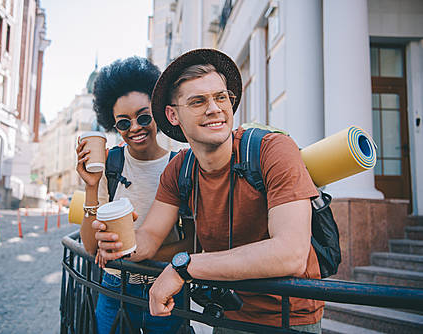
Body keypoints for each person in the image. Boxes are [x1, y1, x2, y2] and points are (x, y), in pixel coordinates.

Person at [93, 49, 324, 333]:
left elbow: (290, 253)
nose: (214, 109)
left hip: (288, 320)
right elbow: (150, 239)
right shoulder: (179, 169)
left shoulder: (273, 149)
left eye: (221, 97)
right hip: (224, 315)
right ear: (172, 115)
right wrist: (120, 242)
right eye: (198, 101)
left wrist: (184, 267)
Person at [76, 56, 193, 334]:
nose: (135, 128)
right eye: (123, 123)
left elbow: (192, 243)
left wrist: (130, 255)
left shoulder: (181, 166)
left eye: (143, 117)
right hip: (114, 289)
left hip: (165, 286)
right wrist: (91, 185)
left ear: (158, 113)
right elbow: (91, 248)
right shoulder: (110, 164)